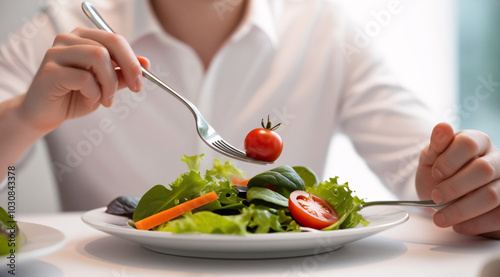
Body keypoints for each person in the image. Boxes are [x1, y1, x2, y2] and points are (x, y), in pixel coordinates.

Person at [0, 0, 498, 238]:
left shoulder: (323, 28)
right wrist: (23, 118)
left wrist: (460, 178)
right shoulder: (63, 29)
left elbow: (423, 162)